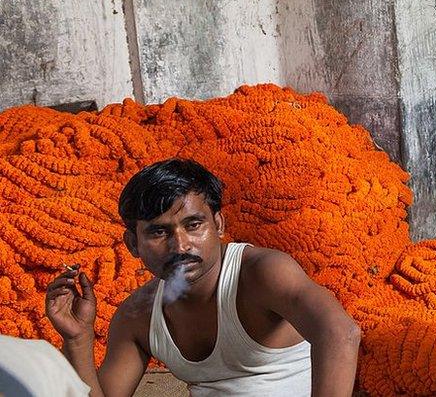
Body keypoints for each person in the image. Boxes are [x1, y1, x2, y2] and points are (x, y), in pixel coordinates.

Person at [45, 158, 362, 397]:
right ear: (133, 244)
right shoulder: (137, 316)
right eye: (159, 231)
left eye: (194, 225)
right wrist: (77, 339)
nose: (180, 245)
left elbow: (340, 332)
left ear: (219, 225)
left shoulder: (261, 273)